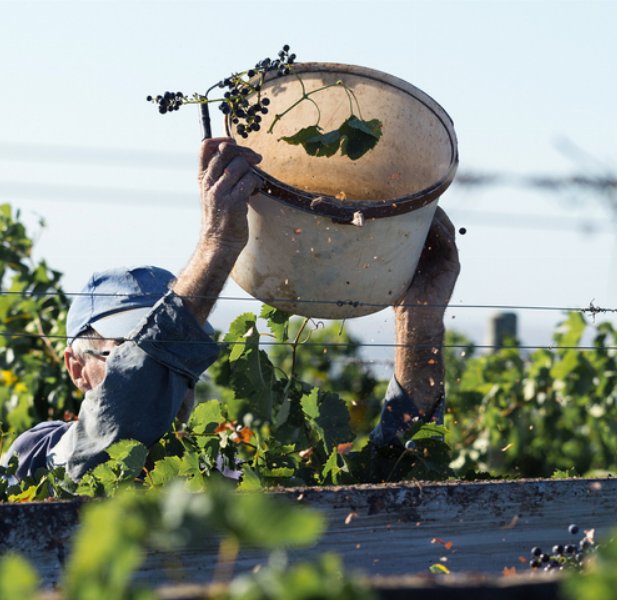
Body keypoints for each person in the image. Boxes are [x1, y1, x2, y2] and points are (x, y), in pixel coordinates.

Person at [0, 138, 460, 482]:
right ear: (76, 369)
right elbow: (123, 414)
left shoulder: (234, 472)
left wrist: (418, 318)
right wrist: (218, 246)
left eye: (179, 349)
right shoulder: (48, 460)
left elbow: (388, 486)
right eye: (124, 350)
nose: (168, 368)